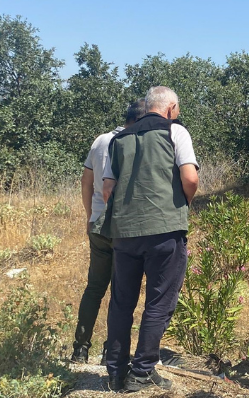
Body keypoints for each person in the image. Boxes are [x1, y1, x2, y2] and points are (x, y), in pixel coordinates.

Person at [101, 86, 200, 392]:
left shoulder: (119, 139)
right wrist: (182, 205)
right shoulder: (176, 132)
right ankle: (142, 372)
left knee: (121, 302)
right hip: (164, 230)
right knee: (159, 300)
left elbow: (107, 188)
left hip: (124, 233)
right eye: (178, 108)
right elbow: (191, 178)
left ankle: (115, 372)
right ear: (170, 108)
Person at [70, 99, 146, 364]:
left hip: (98, 223)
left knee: (94, 287)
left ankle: (80, 348)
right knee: (121, 291)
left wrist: (90, 215)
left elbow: (86, 181)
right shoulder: (134, 142)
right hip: (124, 226)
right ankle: (109, 352)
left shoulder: (100, 140)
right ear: (140, 120)